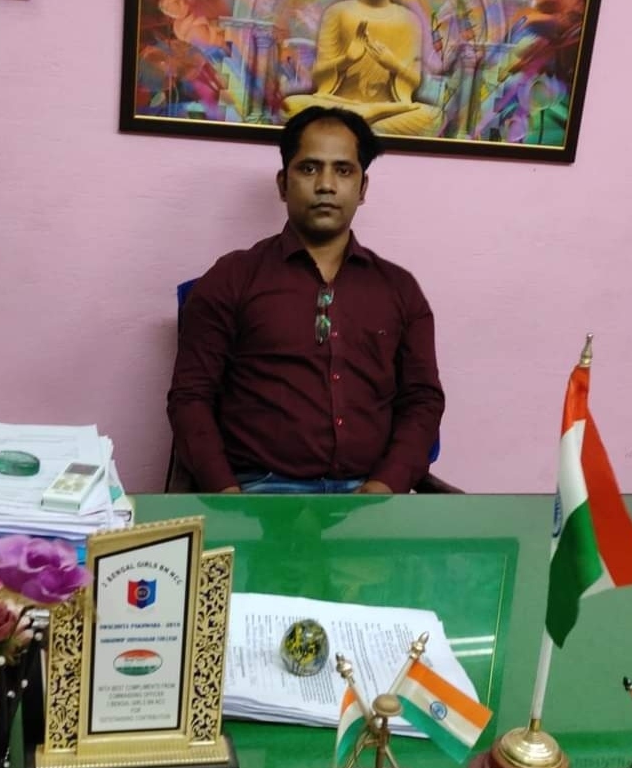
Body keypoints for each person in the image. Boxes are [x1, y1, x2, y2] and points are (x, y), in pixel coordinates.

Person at [166, 105, 444, 494]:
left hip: (369, 494)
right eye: (309, 168)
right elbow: (190, 397)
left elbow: (423, 400)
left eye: (343, 170)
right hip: (260, 493)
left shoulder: (399, 289)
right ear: (283, 184)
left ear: (362, 188)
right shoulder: (232, 278)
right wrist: (227, 496)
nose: (326, 185)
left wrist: (385, 485)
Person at [281, 0, 442, 137]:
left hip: (386, 108)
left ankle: (353, 123)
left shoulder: (409, 20)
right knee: (290, 105)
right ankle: (364, 121)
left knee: (433, 117)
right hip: (338, 103)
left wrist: (392, 63)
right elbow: (319, 75)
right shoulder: (338, 12)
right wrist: (347, 59)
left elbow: (413, 82)